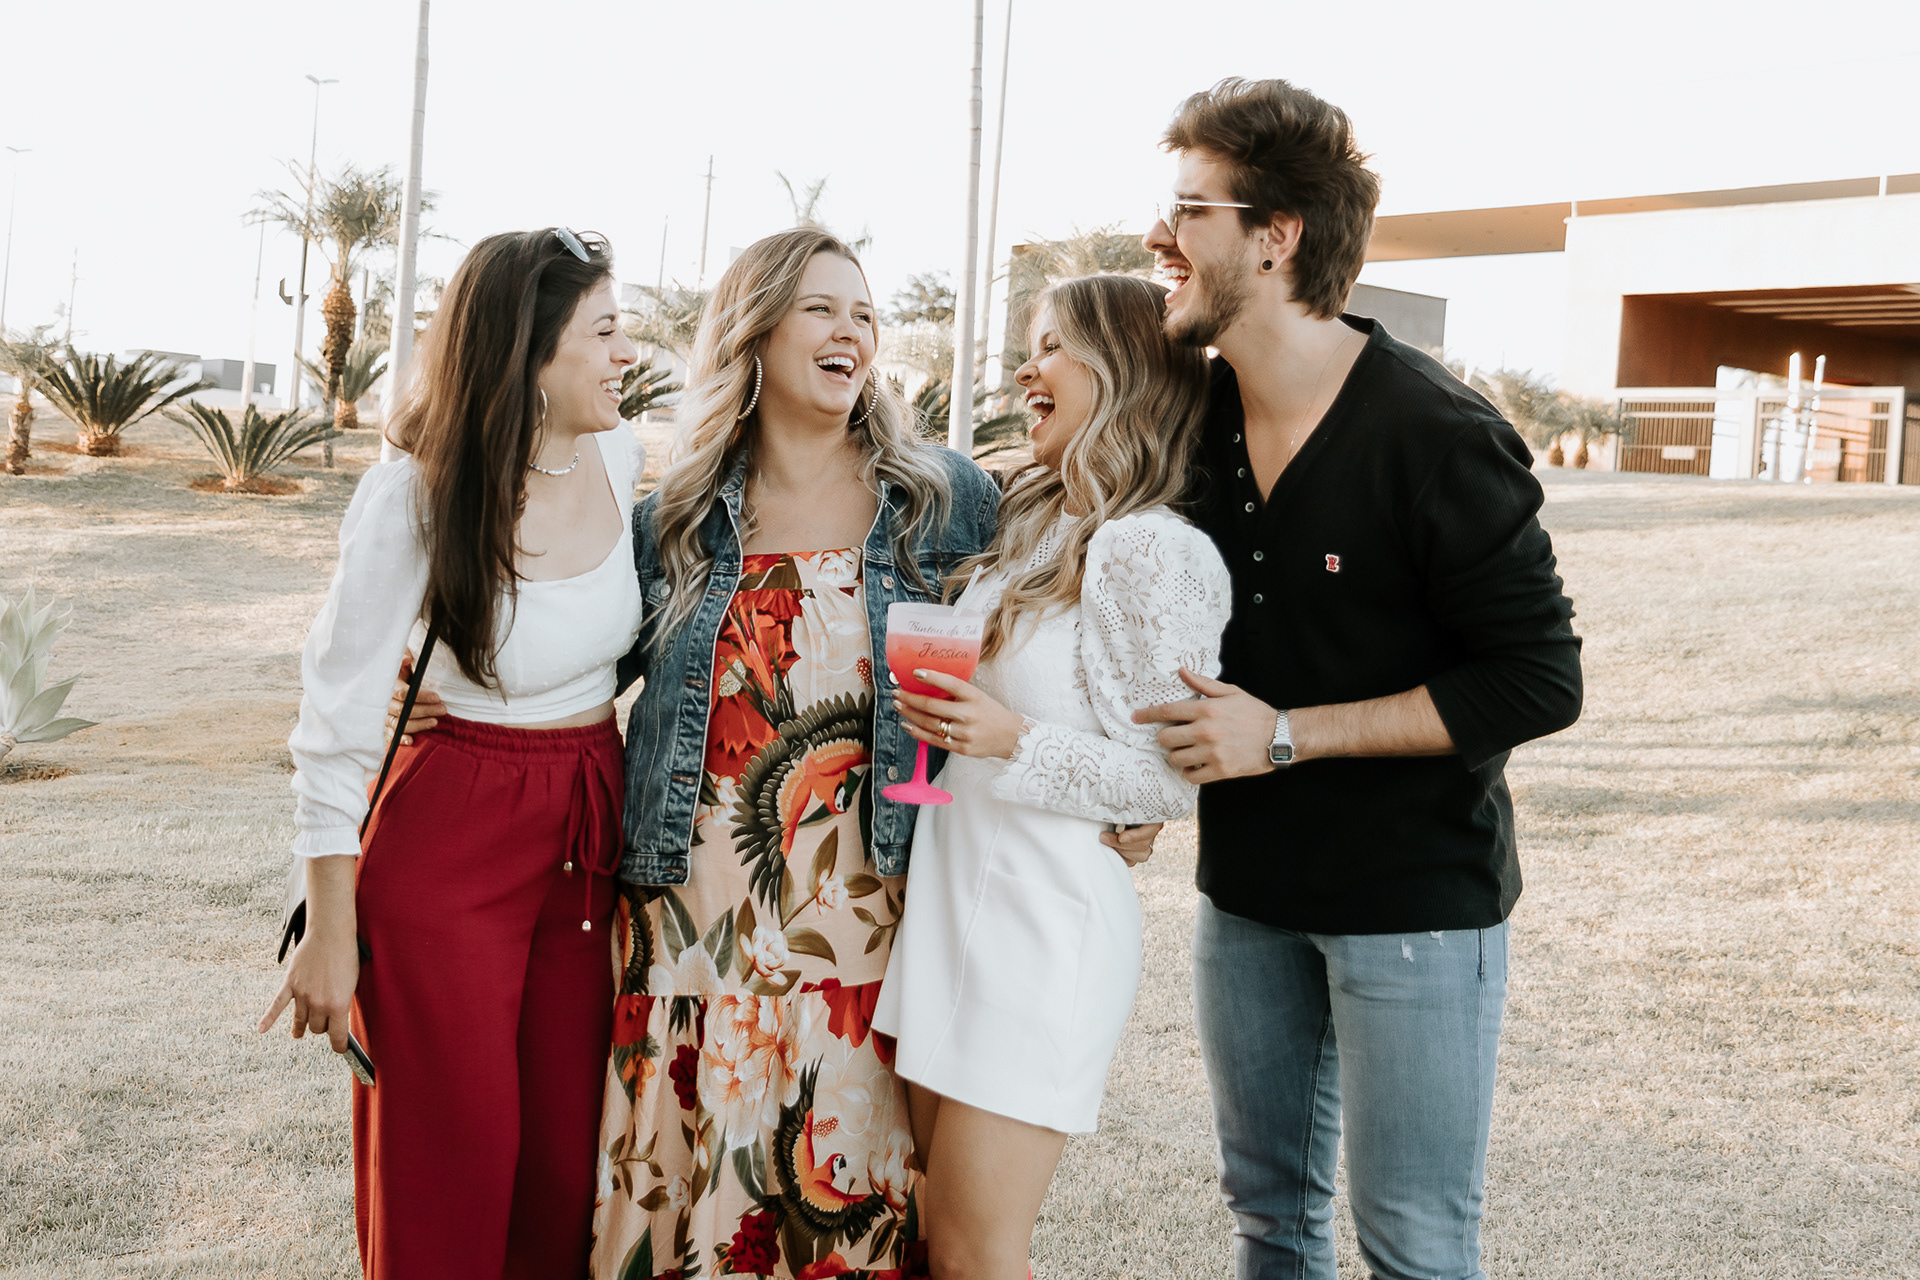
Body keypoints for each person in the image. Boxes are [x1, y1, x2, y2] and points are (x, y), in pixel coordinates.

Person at [1130, 79, 1585, 1280]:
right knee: (1270, 1220)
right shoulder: (1193, 418)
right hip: (1247, 893)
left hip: (1416, 904)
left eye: (1189, 209)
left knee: (1415, 1246)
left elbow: (1539, 679)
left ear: (1274, 236)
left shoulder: (1437, 433)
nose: (1157, 234)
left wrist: (1286, 733)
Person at [589, 227, 1004, 1280]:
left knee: (848, 1211)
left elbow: (1041, 644)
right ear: (757, 331)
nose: (850, 331)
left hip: (871, 923)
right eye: (822, 308)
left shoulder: (943, 499)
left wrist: (1113, 791)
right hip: (693, 924)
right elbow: (575, 672)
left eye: (864, 314)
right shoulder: (674, 518)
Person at [259, 228, 644, 1279]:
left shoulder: (621, 455)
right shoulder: (416, 492)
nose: (628, 353)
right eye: (605, 331)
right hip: (452, 835)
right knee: (450, 1166)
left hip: (586, 833)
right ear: (530, 350)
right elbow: (335, 719)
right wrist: (329, 928)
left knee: (563, 1171)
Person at [874, 273, 1231, 1280]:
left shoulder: (1152, 548)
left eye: (1052, 348)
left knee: (979, 1253)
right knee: (936, 1235)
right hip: (951, 909)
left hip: (1043, 929)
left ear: (1123, 370)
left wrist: (1009, 738)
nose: (1026, 369)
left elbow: (1168, 780)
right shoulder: (1033, 521)